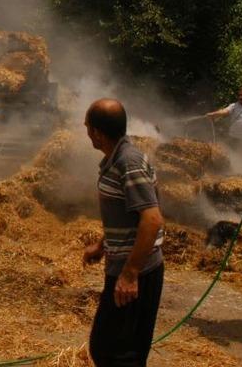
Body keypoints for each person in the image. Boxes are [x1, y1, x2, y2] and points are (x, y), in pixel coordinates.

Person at [82, 98, 165, 367]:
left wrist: (130, 274)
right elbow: (129, 214)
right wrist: (102, 245)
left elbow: (151, 219)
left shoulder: (128, 163)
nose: (86, 132)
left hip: (136, 271)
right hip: (123, 265)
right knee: (112, 348)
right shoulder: (116, 158)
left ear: (96, 132)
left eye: (87, 126)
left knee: (115, 352)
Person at [205, 87, 242, 151]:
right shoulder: (233, 106)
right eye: (239, 95)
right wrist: (213, 114)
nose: (240, 97)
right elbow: (224, 111)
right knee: (235, 157)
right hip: (235, 138)